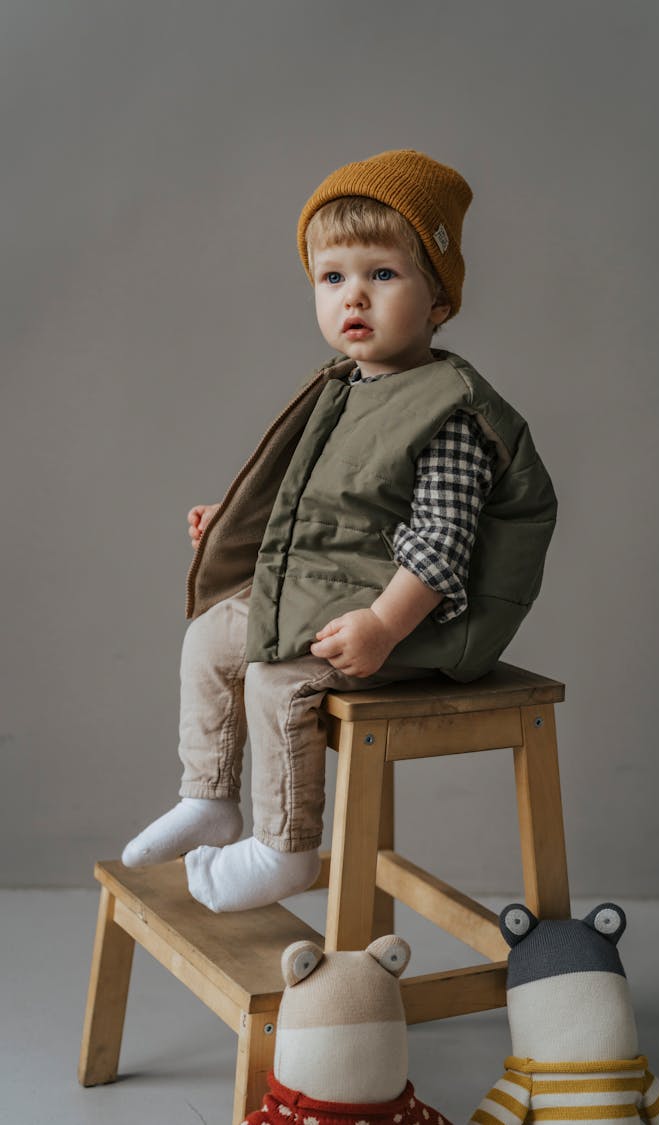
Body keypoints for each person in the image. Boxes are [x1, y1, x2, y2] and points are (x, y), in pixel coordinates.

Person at [121, 149, 557, 912]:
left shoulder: (448, 409)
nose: (353, 295)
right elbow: (311, 506)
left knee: (276, 680)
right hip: (339, 589)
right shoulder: (344, 390)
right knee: (212, 635)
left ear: (438, 300)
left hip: (418, 619)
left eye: (382, 275)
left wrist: (386, 624)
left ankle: (286, 847)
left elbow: (440, 539)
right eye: (332, 277)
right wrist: (232, 523)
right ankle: (209, 794)